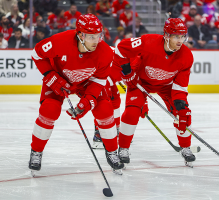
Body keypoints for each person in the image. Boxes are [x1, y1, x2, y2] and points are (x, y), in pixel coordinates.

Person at [29, 14, 124, 175]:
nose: (96, 41)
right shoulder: (60, 41)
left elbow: (100, 80)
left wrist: (87, 102)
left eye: (98, 36)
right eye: (91, 36)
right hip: (59, 78)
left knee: (104, 109)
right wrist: (51, 77)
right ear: (80, 34)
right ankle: (36, 152)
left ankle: (112, 152)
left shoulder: (106, 52)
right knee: (49, 110)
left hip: (86, 82)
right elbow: (36, 54)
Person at [110, 18, 196, 168]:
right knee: (132, 111)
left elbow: (180, 85)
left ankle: (185, 147)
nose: (180, 40)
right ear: (166, 35)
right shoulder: (148, 42)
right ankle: (123, 148)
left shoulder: (186, 55)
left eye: (183, 36)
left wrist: (181, 106)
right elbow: (121, 48)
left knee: (182, 113)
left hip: (167, 86)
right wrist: (127, 70)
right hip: (140, 82)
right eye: (176, 36)